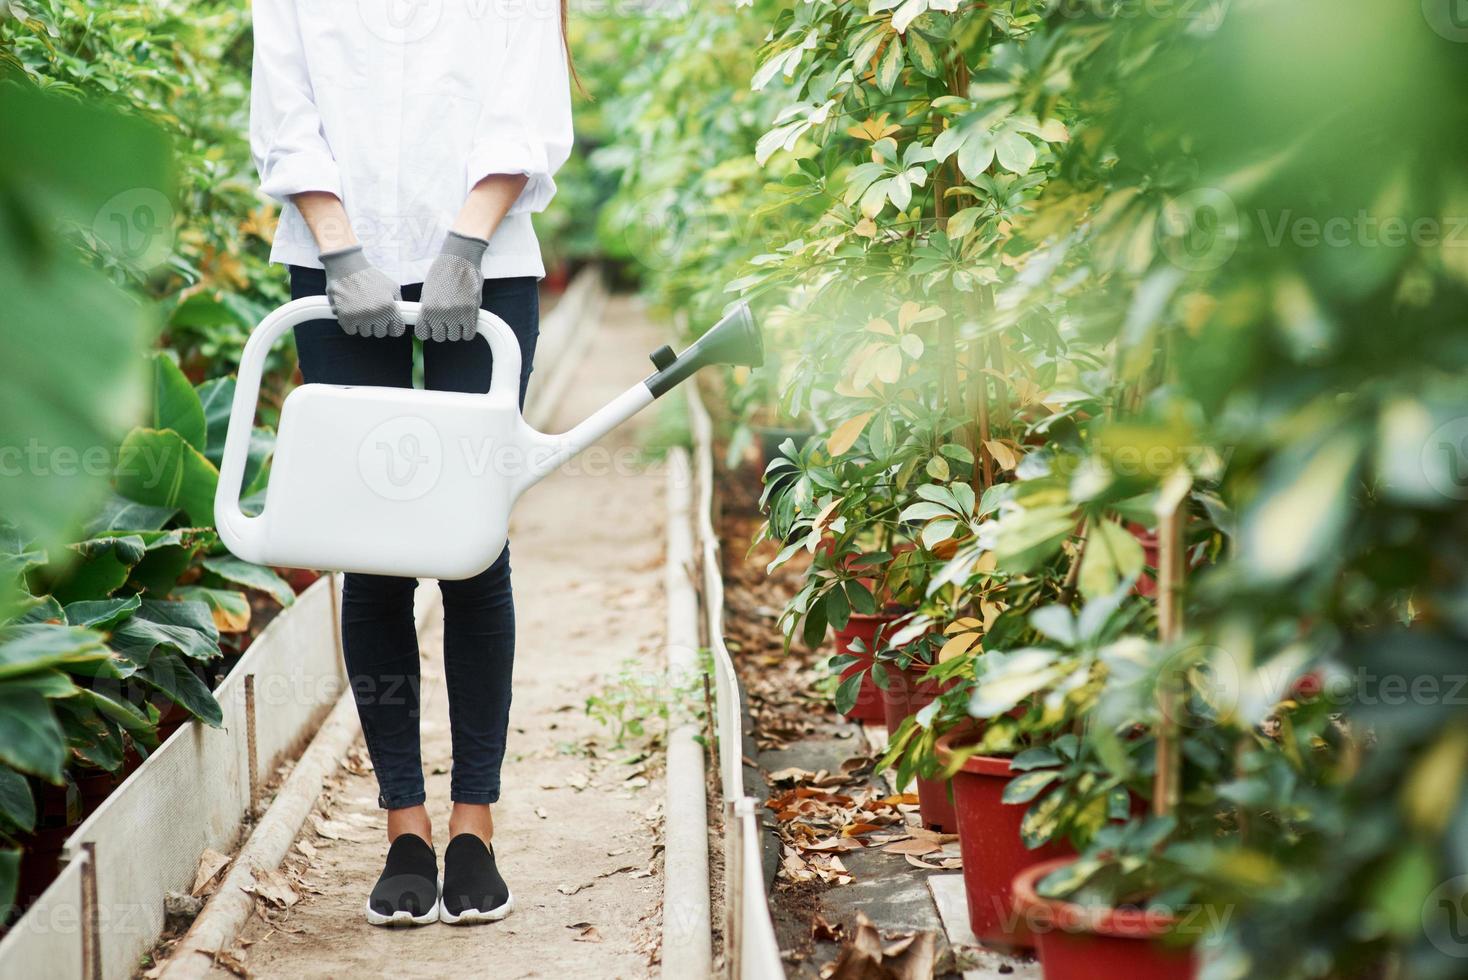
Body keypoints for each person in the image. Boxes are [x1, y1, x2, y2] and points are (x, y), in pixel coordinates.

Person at [249, 0, 573, 926]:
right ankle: (405, 824)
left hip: (488, 259)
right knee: (374, 545)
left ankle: (474, 823)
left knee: (472, 540)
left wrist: (465, 242)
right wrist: (343, 250)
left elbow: (529, 107)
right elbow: (287, 112)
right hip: (332, 262)